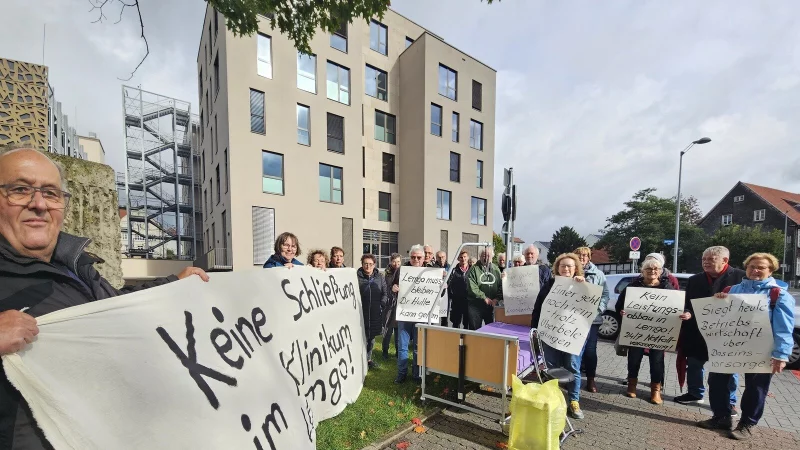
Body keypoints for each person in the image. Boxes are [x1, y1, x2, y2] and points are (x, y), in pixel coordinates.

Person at [0, 145, 210, 449]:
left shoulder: (75, 265)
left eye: (50, 193)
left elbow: (111, 309)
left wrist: (173, 284)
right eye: (20, 190)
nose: (38, 204)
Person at [698, 253, 795, 439]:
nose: (755, 270)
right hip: (730, 347)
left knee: (756, 387)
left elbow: (784, 329)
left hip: (761, 350)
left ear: (771, 270)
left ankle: (747, 424)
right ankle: (721, 417)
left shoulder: (778, 294)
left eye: (761, 267)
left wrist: (781, 355)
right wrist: (718, 301)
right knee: (717, 381)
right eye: (752, 267)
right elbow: (721, 317)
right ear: (746, 268)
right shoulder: (732, 289)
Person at [675, 246, 745, 411]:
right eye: (703, 259)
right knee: (694, 364)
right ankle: (695, 393)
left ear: (725, 261)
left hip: (727, 335)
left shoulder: (741, 277)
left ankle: (730, 402)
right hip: (698, 332)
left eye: (710, 259)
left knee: (728, 368)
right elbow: (688, 304)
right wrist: (687, 313)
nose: (705, 263)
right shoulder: (694, 280)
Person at [616, 258, 689, 404]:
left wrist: (686, 313)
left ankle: (656, 390)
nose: (652, 272)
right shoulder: (632, 287)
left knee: (657, 362)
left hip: (659, 333)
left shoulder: (667, 288)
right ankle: (632, 385)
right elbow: (619, 306)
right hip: (636, 331)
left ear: (660, 272)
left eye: (656, 269)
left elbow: (682, 306)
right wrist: (622, 311)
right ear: (642, 271)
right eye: (648, 269)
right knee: (634, 358)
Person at [530, 253, 586, 419]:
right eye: (563, 266)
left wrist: (583, 286)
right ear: (557, 268)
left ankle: (574, 401)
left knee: (572, 367)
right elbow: (538, 309)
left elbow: (589, 309)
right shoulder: (549, 286)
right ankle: (552, 399)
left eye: (569, 266)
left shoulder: (583, 286)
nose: (566, 269)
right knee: (551, 367)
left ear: (575, 268)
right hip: (550, 334)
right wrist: (534, 330)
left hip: (572, 336)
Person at [575, 246, 609, 393]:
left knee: (590, 351)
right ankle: (572, 378)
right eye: (579, 255)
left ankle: (590, 379)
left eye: (585, 256)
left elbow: (605, 294)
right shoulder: (571, 271)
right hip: (573, 319)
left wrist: (599, 309)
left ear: (589, 257)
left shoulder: (599, 274)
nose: (582, 258)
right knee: (573, 350)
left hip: (592, 320)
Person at [392, 245, 425, 383]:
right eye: (413, 257)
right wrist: (393, 288)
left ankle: (417, 375)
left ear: (423, 258)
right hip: (404, 315)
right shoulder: (401, 271)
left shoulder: (430, 272)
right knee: (402, 346)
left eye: (419, 257)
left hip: (421, 317)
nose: (416, 259)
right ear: (409, 258)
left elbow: (438, 295)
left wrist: (443, 286)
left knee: (419, 347)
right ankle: (402, 373)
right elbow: (392, 287)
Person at [357, 254, 389, 370]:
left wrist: (382, 304)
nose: (368, 266)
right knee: (360, 336)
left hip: (375, 312)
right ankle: (359, 360)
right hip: (360, 312)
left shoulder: (380, 277)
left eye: (370, 264)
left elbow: (385, 293)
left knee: (371, 337)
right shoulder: (356, 277)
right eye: (365, 263)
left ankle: (368, 359)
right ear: (362, 264)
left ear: (374, 265)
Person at [466, 248, 503, 330]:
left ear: (492, 257)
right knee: (475, 330)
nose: (486, 258)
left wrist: (497, 298)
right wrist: (484, 297)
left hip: (491, 306)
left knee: (491, 331)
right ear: (480, 256)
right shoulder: (473, 269)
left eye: (488, 256)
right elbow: (472, 287)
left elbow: (501, 285)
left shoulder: (496, 269)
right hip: (476, 306)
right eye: (484, 255)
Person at [382, 253, 402, 359]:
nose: (396, 264)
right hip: (389, 306)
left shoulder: (404, 272)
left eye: (398, 262)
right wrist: (391, 289)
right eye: (394, 261)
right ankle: (385, 351)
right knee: (388, 330)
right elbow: (384, 288)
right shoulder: (387, 273)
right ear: (390, 261)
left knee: (399, 331)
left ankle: (398, 352)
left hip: (400, 305)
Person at [448, 250, 471, 329]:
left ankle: (466, 340)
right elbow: (449, 284)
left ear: (468, 258)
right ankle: (454, 340)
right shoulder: (453, 271)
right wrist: (452, 296)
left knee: (467, 324)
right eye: (461, 257)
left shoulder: (472, 270)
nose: (463, 259)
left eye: (465, 257)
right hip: (456, 301)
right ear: (458, 259)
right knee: (455, 323)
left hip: (468, 301)